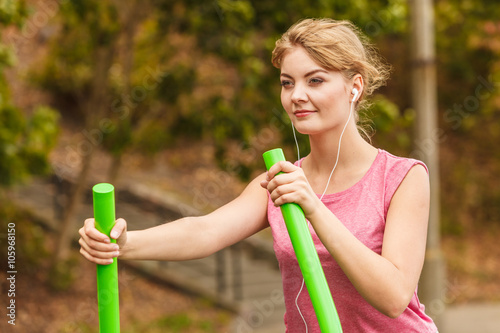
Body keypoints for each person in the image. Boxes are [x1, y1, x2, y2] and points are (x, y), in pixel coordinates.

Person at [79, 18, 438, 332]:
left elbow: (393, 296)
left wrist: (313, 207)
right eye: (287, 82)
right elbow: (205, 231)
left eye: (315, 80)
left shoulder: (402, 178)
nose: (297, 95)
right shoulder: (279, 181)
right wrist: (123, 245)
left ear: (354, 86)